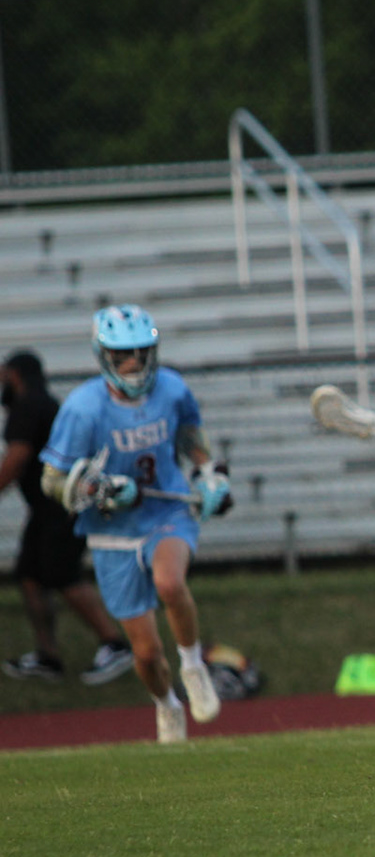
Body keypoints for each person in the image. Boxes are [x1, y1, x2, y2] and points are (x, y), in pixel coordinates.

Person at [38, 306, 229, 743]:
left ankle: (193, 666)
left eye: (141, 353)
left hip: (166, 513)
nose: (134, 363)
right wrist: (101, 490)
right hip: (112, 531)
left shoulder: (172, 389)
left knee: (169, 583)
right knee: (145, 654)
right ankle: (166, 704)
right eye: (123, 355)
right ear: (103, 355)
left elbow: (191, 437)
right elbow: (52, 480)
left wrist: (209, 475)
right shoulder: (83, 408)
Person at [1, 351, 134, 684]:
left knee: (62, 574)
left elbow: (17, 458)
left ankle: (115, 644)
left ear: (14, 375)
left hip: (63, 505)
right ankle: (47, 656)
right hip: (46, 508)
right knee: (30, 575)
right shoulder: (45, 403)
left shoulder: (27, 406)